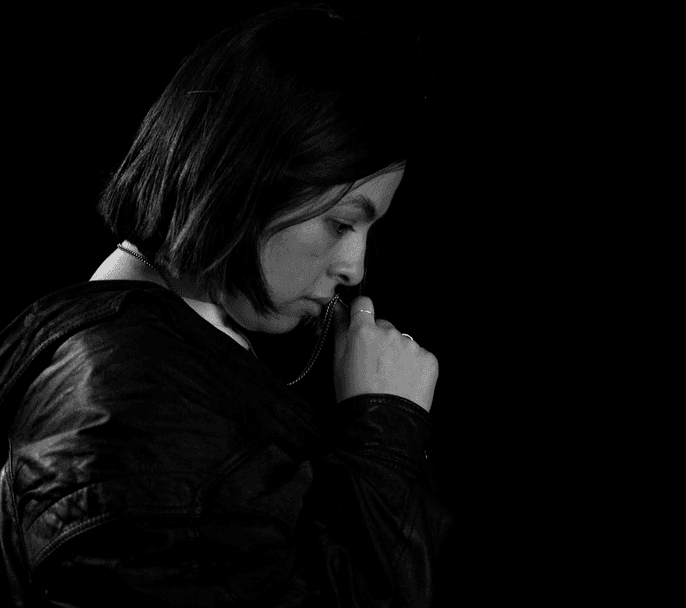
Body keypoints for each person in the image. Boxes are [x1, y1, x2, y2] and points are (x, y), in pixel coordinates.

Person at [0, 4, 450, 606]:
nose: (354, 268)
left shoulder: (171, 360)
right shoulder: (130, 409)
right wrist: (385, 432)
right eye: (343, 222)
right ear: (242, 180)